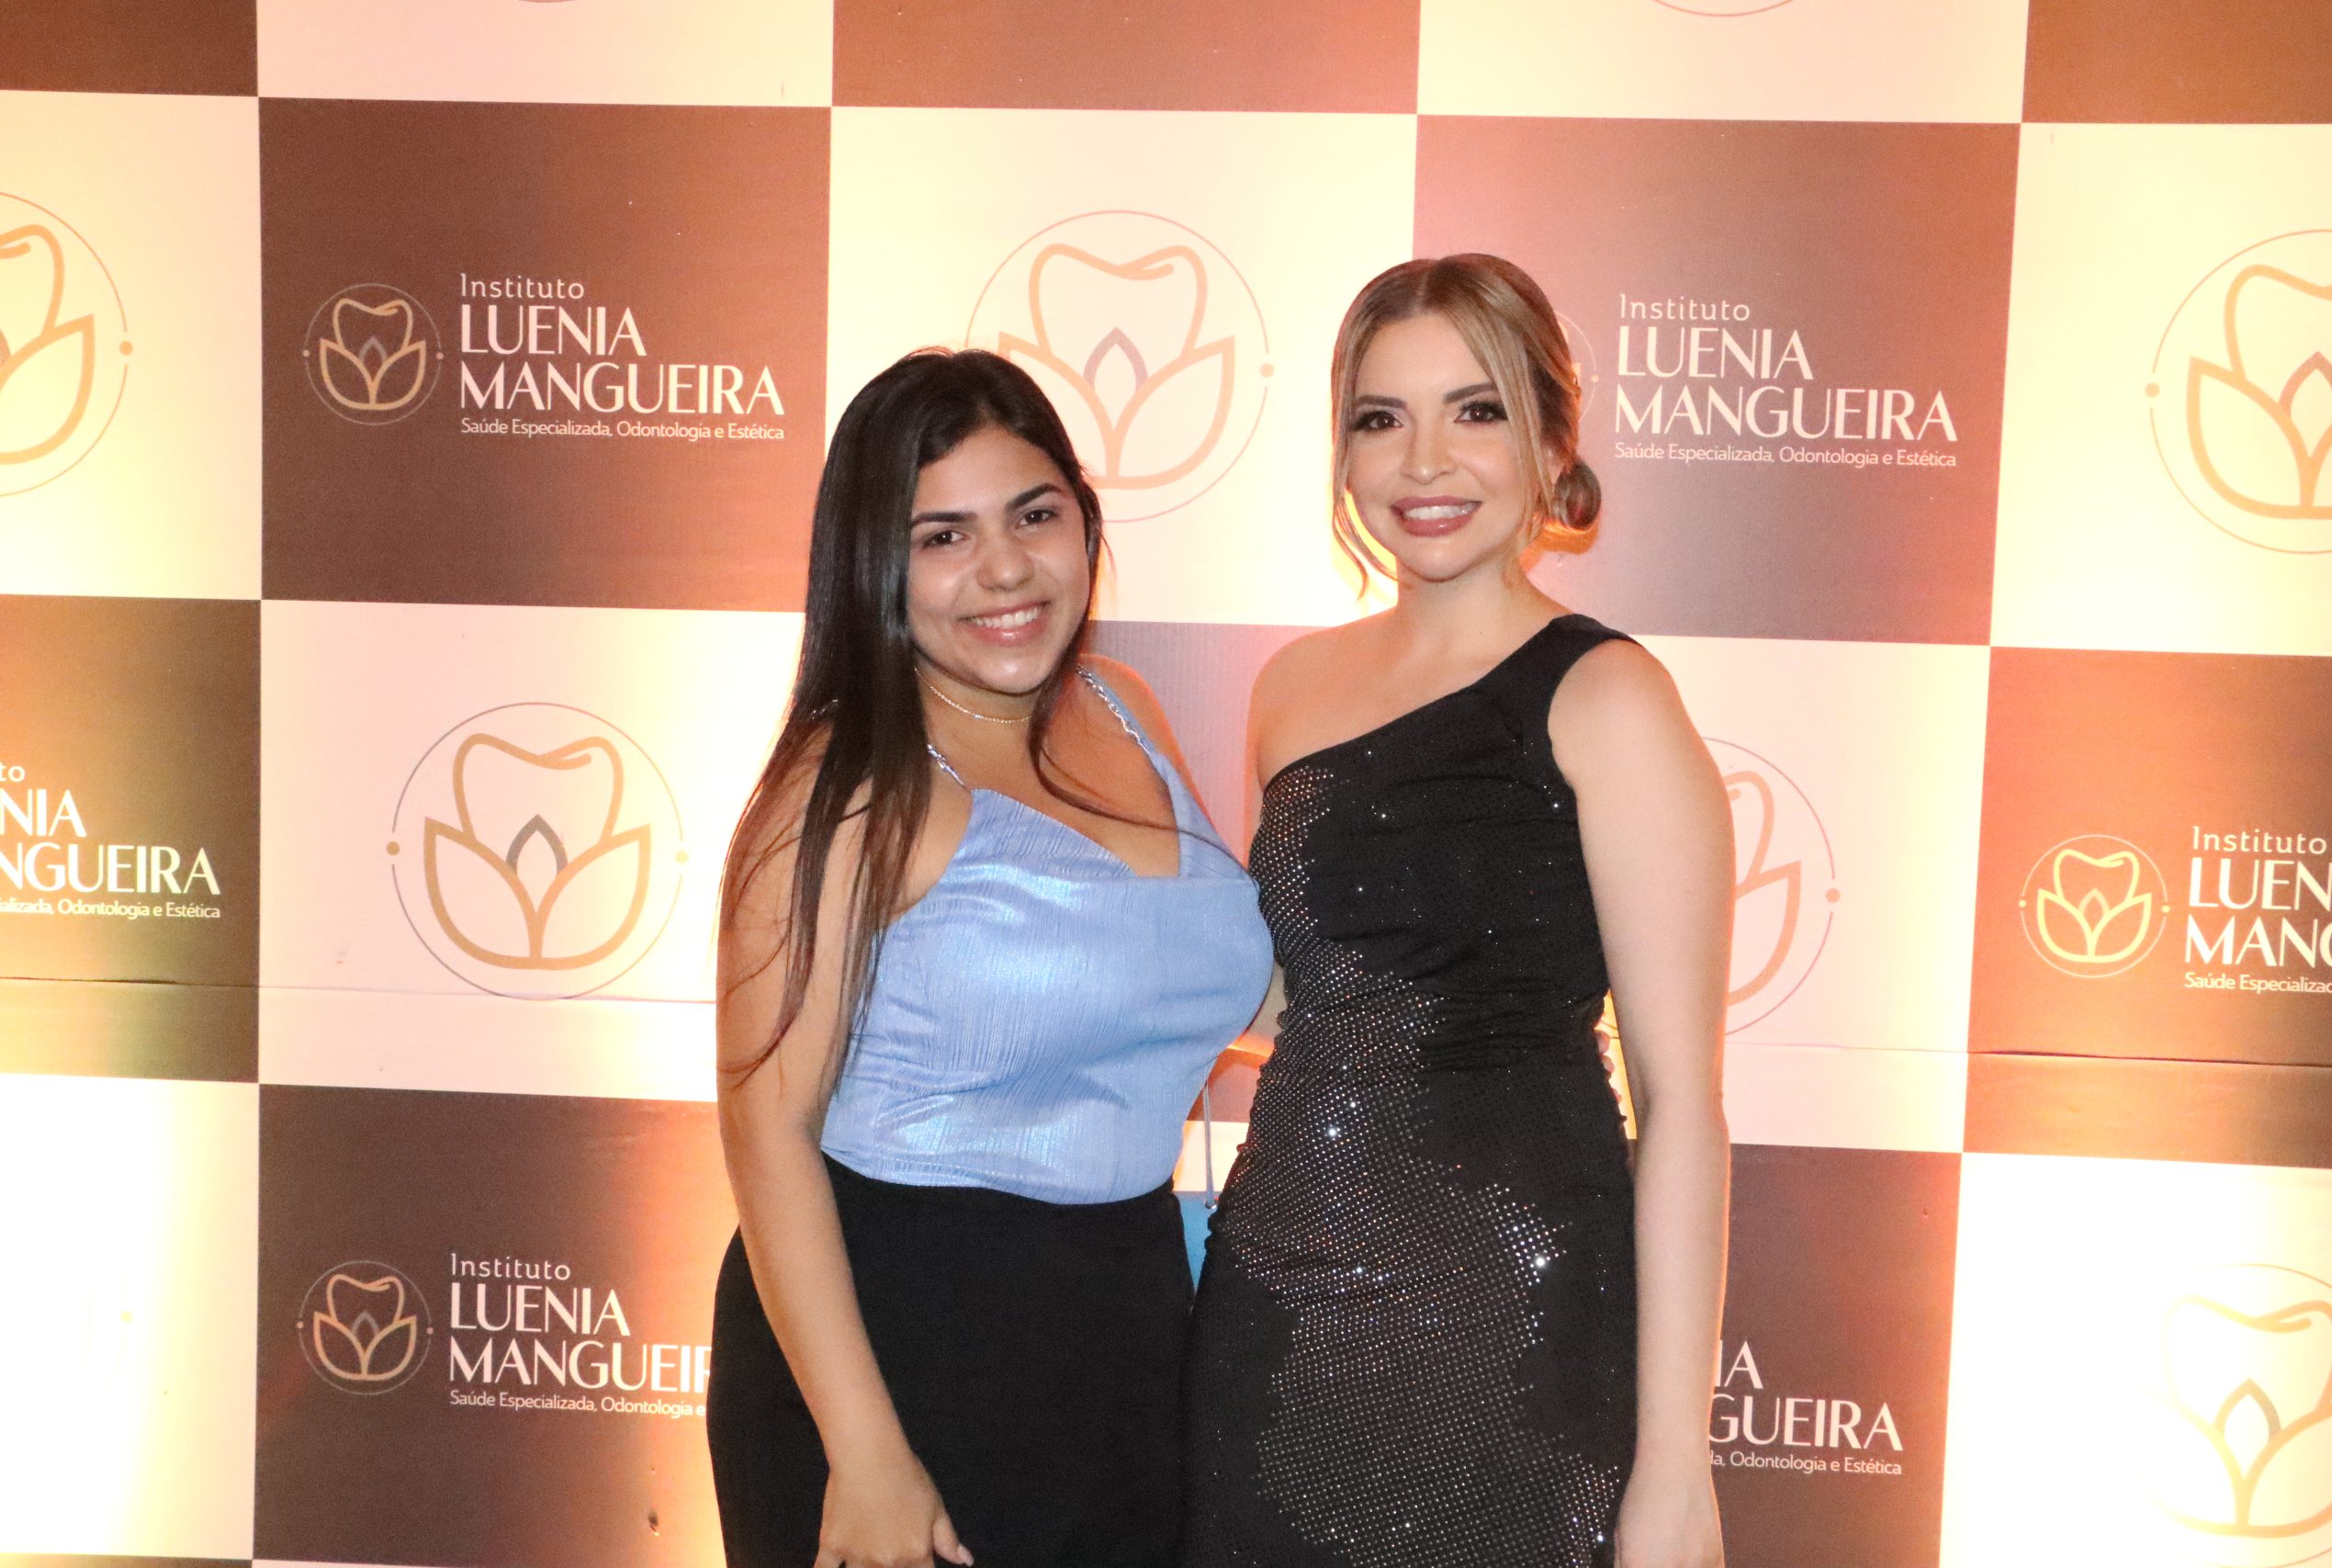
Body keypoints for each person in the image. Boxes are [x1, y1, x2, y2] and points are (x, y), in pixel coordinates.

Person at [1183, 255, 1734, 1568]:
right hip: (1273, 1317)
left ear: (1548, 439)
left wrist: (1676, 1468)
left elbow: (1683, 1105)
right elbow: (1302, 995)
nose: (1424, 461)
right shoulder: (1290, 688)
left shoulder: (1609, 697)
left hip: (1515, 1337)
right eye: (1381, 418)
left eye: (1474, 410)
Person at [707, 348, 1273, 1568]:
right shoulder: (844, 788)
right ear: (876, 563)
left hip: (1126, 1327)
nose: (1005, 569)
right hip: (897, 1342)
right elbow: (765, 1130)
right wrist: (865, 1452)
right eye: (943, 537)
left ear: (1085, 522)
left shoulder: (1124, 709)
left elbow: (1221, 977)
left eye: (1034, 515)